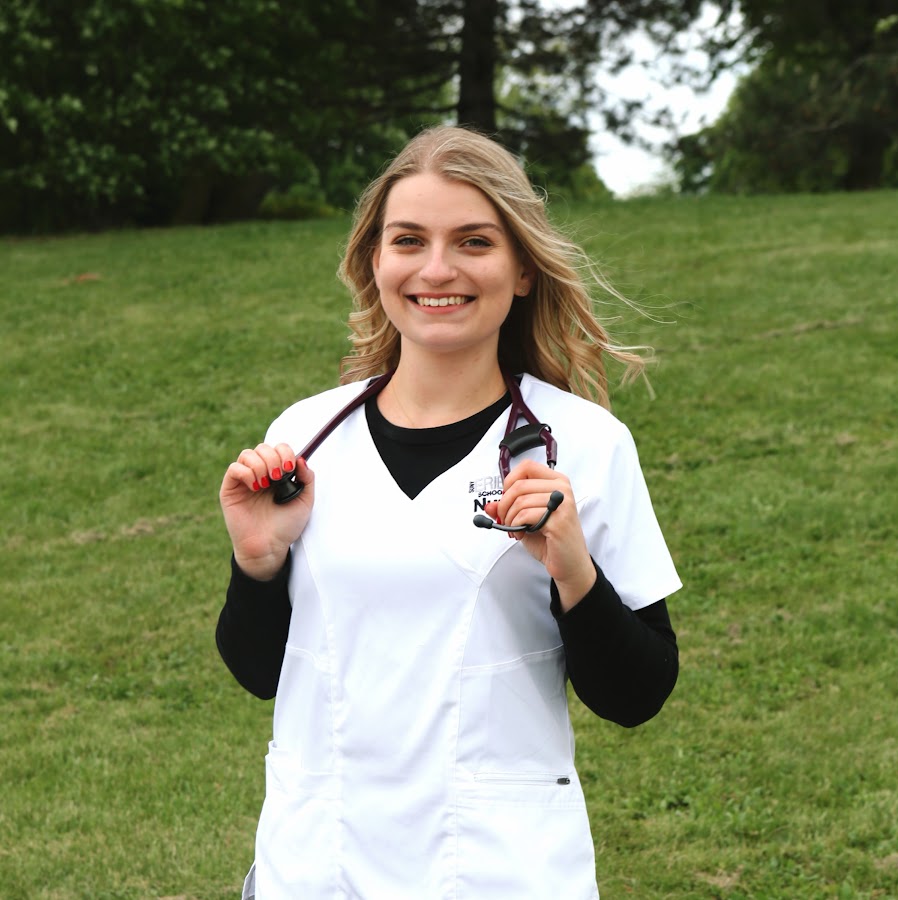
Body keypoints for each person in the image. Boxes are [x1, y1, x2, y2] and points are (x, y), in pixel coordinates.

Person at [216, 125, 682, 900]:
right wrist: (257, 565)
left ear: (522, 268)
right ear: (375, 261)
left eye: (473, 242)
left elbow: (638, 696)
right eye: (409, 240)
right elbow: (260, 674)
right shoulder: (304, 437)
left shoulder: (585, 446)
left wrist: (574, 572)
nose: (437, 269)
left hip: (498, 870)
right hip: (318, 864)